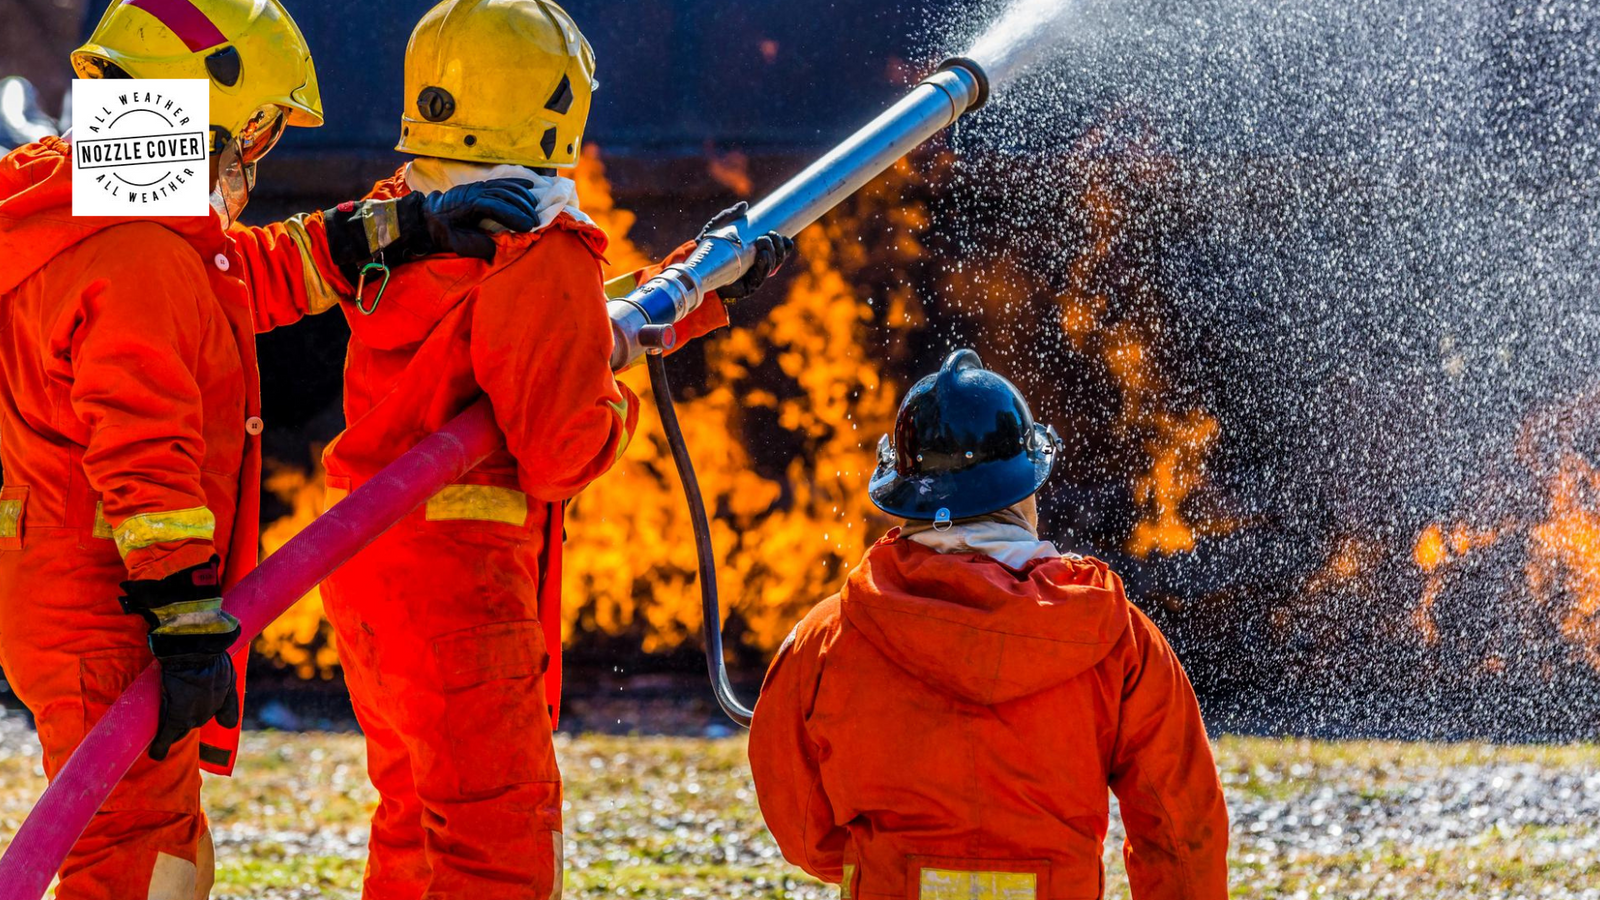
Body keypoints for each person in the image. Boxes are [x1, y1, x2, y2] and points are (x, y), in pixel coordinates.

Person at [0, 1, 549, 896]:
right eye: (256, 130)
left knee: (151, 847)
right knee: (140, 860)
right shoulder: (136, 256)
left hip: (76, 584)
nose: (253, 157)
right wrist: (182, 620)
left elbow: (241, 275)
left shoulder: (86, 208)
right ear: (210, 113)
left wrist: (403, 227)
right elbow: (144, 453)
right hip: (109, 604)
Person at [311, 1, 793, 896]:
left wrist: (692, 292)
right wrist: (616, 406)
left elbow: (522, 332)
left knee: (417, 816)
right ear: (556, 103)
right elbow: (562, 448)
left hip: (369, 564)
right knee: (496, 835)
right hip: (462, 585)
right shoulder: (538, 243)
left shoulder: (396, 218)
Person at [747, 349, 1231, 900]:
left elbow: (799, 819)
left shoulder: (827, 637)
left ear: (905, 492)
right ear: (1025, 489)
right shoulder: (1118, 636)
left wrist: (881, 862)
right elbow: (1181, 829)